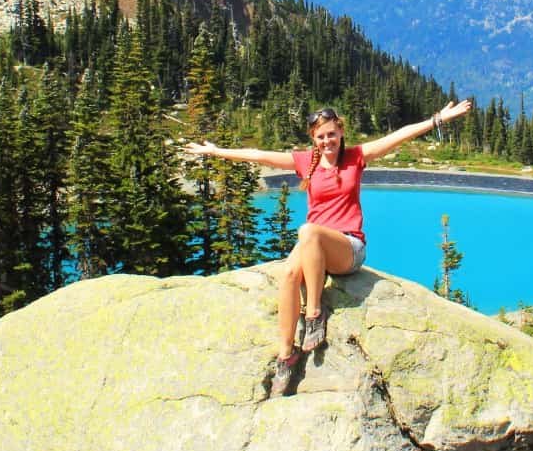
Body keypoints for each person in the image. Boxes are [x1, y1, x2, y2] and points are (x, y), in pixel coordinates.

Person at [184, 99, 474, 396]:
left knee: (307, 232)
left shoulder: (356, 157)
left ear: (341, 132)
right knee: (288, 275)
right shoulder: (305, 162)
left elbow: (399, 135)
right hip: (313, 244)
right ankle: (286, 355)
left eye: (331, 134)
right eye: (321, 136)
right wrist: (214, 151)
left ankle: (314, 314)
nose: (327, 141)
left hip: (348, 247)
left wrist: (439, 118)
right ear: (314, 139)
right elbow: (260, 156)